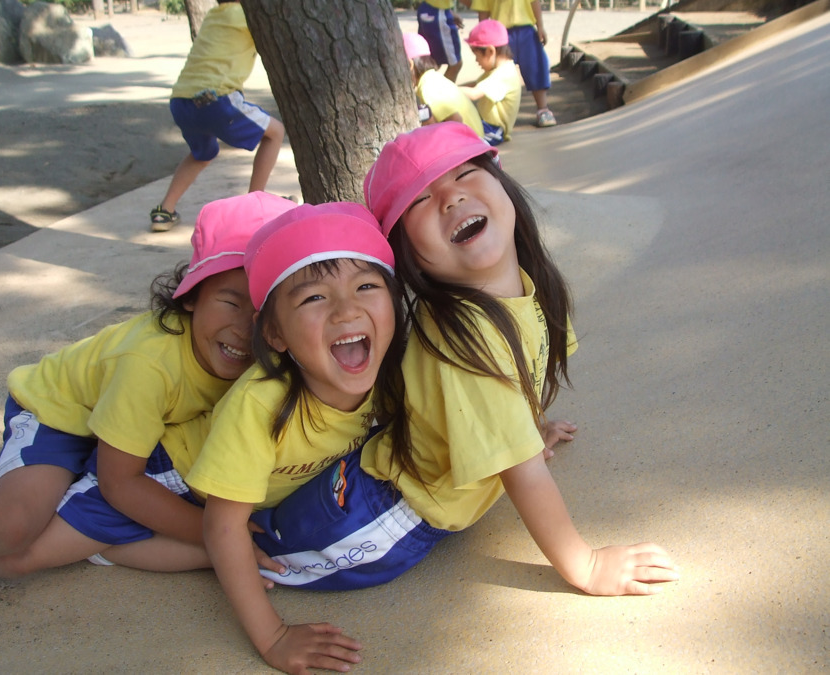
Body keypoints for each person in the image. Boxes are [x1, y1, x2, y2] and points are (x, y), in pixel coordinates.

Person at [250, 123, 679, 611]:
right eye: (420, 200)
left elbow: (516, 384)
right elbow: (523, 474)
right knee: (263, 552)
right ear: (406, 252)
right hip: (382, 514)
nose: (451, 198)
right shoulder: (466, 336)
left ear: (503, 185)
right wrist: (586, 565)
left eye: (466, 173)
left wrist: (527, 427)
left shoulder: (523, 285)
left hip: (383, 469)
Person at [0, 192, 296, 580]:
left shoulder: (272, 354)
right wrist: (220, 536)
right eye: (231, 302)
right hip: (60, 417)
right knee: (11, 526)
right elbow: (121, 483)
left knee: (49, 543)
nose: (245, 330)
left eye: (264, 312)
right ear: (191, 296)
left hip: (133, 432)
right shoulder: (148, 364)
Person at [184, 202, 406, 675]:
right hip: (184, 484)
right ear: (275, 334)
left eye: (367, 286)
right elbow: (222, 525)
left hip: (264, 496)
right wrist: (274, 638)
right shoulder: (260, 406)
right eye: (314, 298)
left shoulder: (392, 370)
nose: (348, 309)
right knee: (189, 545)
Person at [149, 0, 285, 232]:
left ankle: (165, 211)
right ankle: (254, 204)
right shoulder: (248, 16)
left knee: (202, 154)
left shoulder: (214, 15)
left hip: (180, 101)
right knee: (275, 132)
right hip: (216, 99)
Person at [473, 0, 557, 127]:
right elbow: (483, 10)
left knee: (534, 67)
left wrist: (540, 26)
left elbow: (534, 2)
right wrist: (484, 36)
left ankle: (543, 108)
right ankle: (494, 113)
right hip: (500, 32)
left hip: (526, 28)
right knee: (496, 71)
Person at [403, 32, 484, 139]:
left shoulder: (428, 87)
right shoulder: (434, 79)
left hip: (471, 145)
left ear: (409, 64)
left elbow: (456, 121)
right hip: (476, 142)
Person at [460, 19, 522, 145]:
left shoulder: (503, 74)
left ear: (490, 51)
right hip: (487, 126)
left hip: (493, 131)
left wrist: (448, 90)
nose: (476, 61)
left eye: (477, 55)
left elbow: (474, 93)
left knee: (458, 138)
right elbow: (474, 84)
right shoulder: (498, 70)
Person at [416, 0, 464, 82]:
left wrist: (448, 11)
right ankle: (442, 93)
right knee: (455, 64)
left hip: (432, 9)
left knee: (432, 63)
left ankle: (426, 91)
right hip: (437, 11)